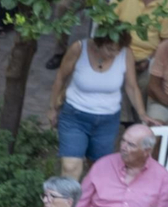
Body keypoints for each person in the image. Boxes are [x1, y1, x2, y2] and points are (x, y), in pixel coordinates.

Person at [47, 31, 153, 176]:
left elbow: (131, 86)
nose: (114, 54)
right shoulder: (79, 48)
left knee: (99, 168)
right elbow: (60, 77)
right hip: (75, 115)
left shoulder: (125, 53)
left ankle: (89, 191)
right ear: (99, 42)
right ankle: (69, 191)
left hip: (107, 121)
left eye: (118, 50)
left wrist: (142, 114)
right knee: (70, 166)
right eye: (110, 49)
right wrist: (52, 108)